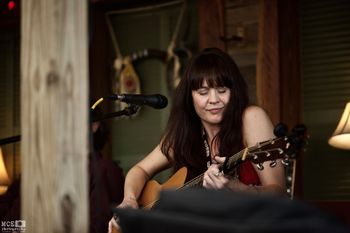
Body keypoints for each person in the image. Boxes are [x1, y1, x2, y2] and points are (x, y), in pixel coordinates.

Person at [108, 47, 286, 232]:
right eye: (203, 92)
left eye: (222, 90)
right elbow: (140, 169)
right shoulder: (186, 133)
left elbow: (279, 193)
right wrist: (129, 200)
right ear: (190, 97)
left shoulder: (251, 117)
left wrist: (237, 188)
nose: (214, 99)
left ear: (234, 91)